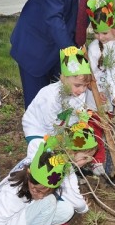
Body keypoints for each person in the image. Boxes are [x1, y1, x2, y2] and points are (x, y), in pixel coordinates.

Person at [22, 46, 105, 175]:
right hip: (38, 129)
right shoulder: (51, 96)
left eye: (85, 86)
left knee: (67, 152)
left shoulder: (79, 94)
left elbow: (76, 116)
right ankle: (36, 173)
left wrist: (79, 126)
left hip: (60, 128)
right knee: (43, 154)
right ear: (63, 78)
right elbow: (50, 124)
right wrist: (62, 143)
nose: (82, 90)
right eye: (77, 85)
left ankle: (64, 171)